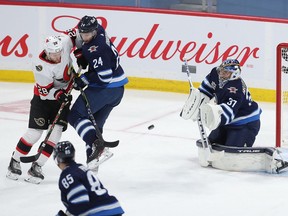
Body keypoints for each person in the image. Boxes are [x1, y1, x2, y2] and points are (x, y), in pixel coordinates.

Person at [6, 35, 74, 184]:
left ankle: (37, 166)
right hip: (43, 102)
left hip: (62, 100)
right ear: (47, 52)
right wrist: (59, 94)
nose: (57, 56)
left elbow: (76, 35)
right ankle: (14, 161)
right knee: (34, 134)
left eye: (58, 52)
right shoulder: (40, 66)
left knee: (54, 136)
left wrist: (82, 55)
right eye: (53, 54)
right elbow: (45, 93)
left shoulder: (65, 44)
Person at [64, 15, 128, 169]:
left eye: (87, 35)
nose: (85, 37)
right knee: (94, 128)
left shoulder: (96, 49)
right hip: (118, 90)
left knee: (75, 116)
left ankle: (98, 147)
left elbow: (104, 77)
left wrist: (84, 79)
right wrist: (81, 54)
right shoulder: (99, 29)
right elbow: (85, 46)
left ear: (93, 32)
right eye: (82, 34)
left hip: (106, 88)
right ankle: (93, 166)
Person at [181, 59, 262, 148]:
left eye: (226, 72)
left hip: (245, 123)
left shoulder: (236, 89)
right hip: (227, 123)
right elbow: (205, 91)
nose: (222, 74)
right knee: (212, 145)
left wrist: (210, 117)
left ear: (234, 74)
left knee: (231, 151)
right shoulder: (215, 73)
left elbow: (227, 114)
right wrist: (197, 102)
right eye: (221, 70)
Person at [54, 141, 124, 216]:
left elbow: (80, 200)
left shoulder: (67, 175)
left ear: (57, 159)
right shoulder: (82, 168)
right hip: (113, 208)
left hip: (97, 212)